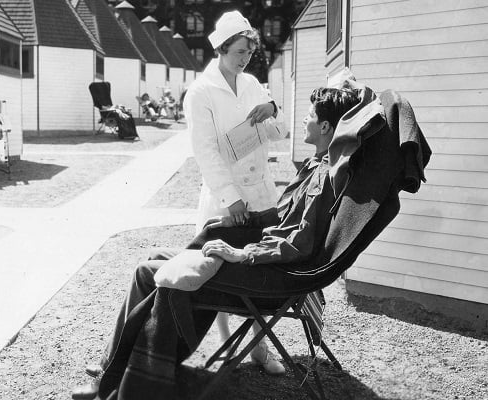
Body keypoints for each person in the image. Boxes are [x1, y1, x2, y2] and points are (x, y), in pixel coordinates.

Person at [71, 85, 362, 400]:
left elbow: (296, 245)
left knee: (151, 273)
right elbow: (282, 221)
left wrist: (240, 253)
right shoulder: (317, 166)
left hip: (270, 280)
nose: (303, 119)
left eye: (310, 115)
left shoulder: (324, 180)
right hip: (267, 265)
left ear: (325, 127)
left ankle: (128, 383)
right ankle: (119, 365)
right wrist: (245, 220)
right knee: (156, 256)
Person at [182, 10, 287, 374]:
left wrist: (272, 110)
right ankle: (225, 342)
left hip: (260, 193)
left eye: (249, 52)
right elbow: (205, 151)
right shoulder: (201, 92)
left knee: (259, 269)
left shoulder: (253, 84)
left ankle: (260, 348)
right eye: (240, 51)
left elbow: (281, 131)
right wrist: (230, 198)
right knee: (221, 271)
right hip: (228, 198)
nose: (245, 59)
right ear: (222, 48)